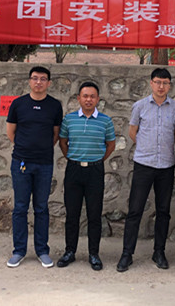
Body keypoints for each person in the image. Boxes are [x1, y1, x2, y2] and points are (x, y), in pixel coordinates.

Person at [117, 68, 175, 272]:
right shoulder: (140, 106)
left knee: (163, 211)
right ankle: (127, 253)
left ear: (169, 85)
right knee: (135, 210)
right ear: (151, 83)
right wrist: (147, 147)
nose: (161, 86)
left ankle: (159, 252)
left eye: (165, 83)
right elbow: (133, 132)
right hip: (143, 164)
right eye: (157, 82)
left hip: (166, 165)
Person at [5, 66, 63, 269]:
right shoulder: (18, 104)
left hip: (44, 163)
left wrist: (41, 149)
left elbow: (55, 134)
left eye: (43, 79)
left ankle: (42, 250)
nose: (39, 82)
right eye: (35, 78)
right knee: (20, 207)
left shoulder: (54, 106)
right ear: (29, 81)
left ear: (49, 83)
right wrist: (25, 148)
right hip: (21, 162)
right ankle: (19, 251)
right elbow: (11, 132)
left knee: (41, 207)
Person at [57, 82, 116, 271]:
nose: (88, 99)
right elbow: (63, 142)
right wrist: (72, 158)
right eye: (85, 96)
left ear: (97, 99)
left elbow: (111, 145)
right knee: (72, 214)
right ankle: (70, 251)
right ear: (79, 99)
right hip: (73, 170)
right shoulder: (69, 119)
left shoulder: (105, 121)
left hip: (95, 171)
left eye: (92, 96)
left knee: (94, 214)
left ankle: (94, 254)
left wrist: (97, 160)